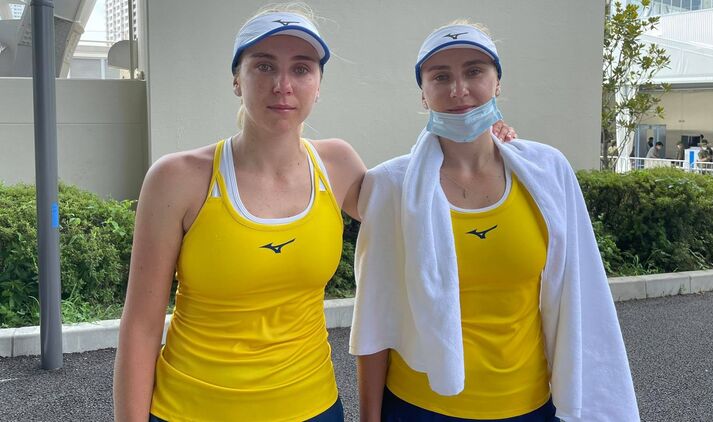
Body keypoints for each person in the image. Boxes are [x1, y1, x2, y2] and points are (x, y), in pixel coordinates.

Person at [113, 5, 517, 421]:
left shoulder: (337, 166)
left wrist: (482, 136)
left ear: (319, 84)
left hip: (315, 408)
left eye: (301, 69)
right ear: (237, 79)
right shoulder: (178, 179)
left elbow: (420, 199)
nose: (283, 85)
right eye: (264, 66)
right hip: (189, 409)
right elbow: (141, 326)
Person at [350, 21, 639, 422]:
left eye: (474, 71)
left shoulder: (546, 172)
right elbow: (374, 316)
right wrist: (369, 417)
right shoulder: (391, 185)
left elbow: (581, 293)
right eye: (440, 77)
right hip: (421, 407)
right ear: (423, 93)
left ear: (497, 82)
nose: (459, 90)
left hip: (528, 406)